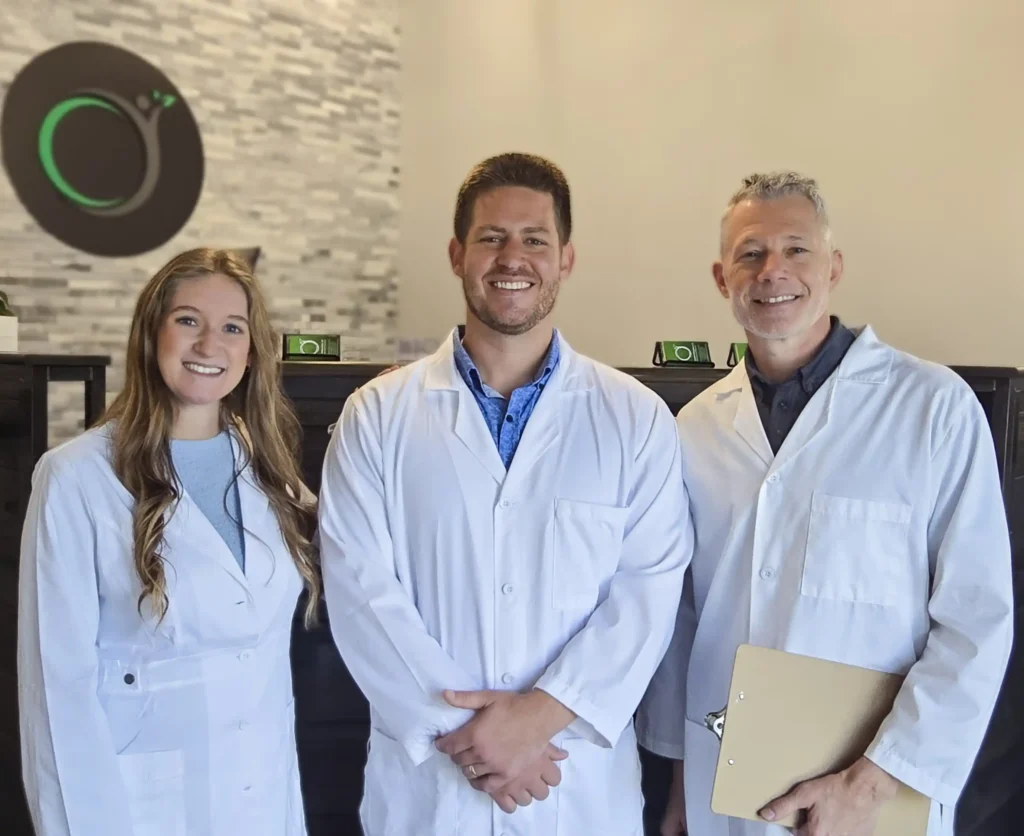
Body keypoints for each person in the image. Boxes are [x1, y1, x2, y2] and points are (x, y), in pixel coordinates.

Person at [317, 152, 692, 835]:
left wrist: (542, 716)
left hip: (570, 786)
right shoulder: (377, 416)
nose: (512, 257)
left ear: (566, 259)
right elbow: (361, 592)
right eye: (491, 237)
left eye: (534, 240)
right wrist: (476, 737)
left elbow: (648, 592)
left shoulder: (635, 418)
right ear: (458, 254)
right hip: (430, 789)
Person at [636, 171, 1015, 836]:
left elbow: (976, 622)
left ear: (834, 267)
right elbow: (680, 621)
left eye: (796, 249)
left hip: (876, 791)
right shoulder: (693, 429)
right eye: (750, 253)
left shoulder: (933, 409)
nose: (772, 271)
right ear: (723, 278)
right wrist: (675, 782)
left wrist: (871, 786)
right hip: (723, 783)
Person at [18, 248, 320, 836]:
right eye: (188, 321)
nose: (210, 345)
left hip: (264, 797)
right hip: (136, 810)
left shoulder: (267, 471)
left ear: (252, 351)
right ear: (150, 333)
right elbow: (56, 694)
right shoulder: (75, 478)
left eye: (232, 328)